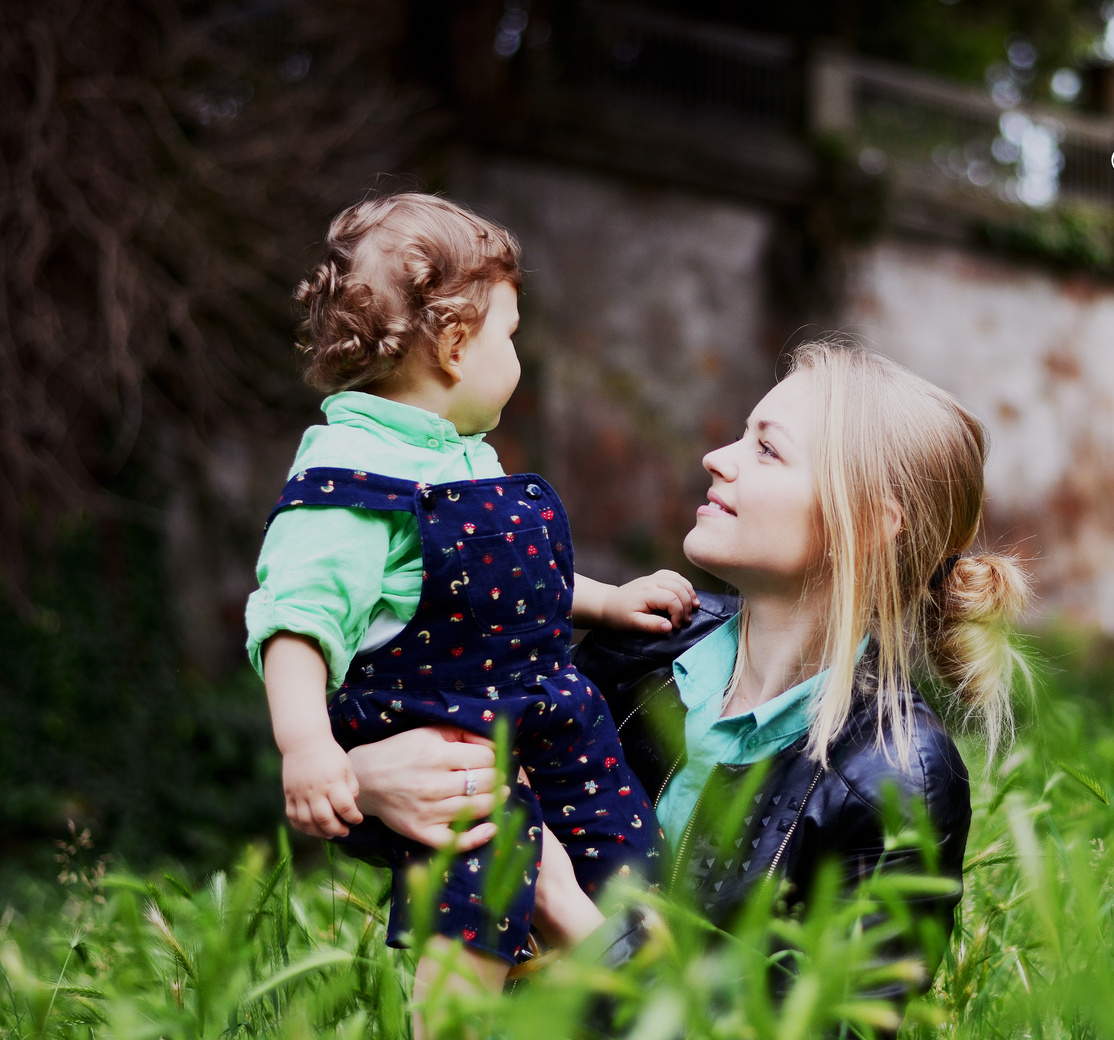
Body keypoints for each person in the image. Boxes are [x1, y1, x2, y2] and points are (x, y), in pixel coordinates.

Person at [345, 340, 1032, 1007]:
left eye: (767, 448)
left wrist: (563, 908)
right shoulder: (644, 644)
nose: (716, 458)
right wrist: (366, 784)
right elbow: (471, 804)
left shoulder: (898, 775)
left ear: (867, 522)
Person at [245, 193, 697, 1021]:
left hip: (537, 718)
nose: (514, 357)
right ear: (456, 345)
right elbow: (296, 621)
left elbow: (504, 587)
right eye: (510, 336)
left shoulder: (462, 457)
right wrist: (307, 747)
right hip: (438, 733)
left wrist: (607, 600)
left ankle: (597, 992)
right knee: (482, 882)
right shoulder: (350, 478)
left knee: (614, 847)